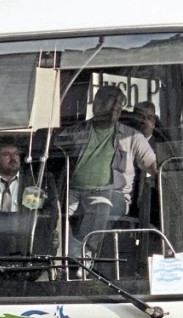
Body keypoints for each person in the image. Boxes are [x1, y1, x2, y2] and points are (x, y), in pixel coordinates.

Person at [56, 85, 158, 261]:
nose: (117, 106)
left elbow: (153, 167)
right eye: (112, 100)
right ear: (96, 104)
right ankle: (63, 258)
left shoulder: (132, 137)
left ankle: (85, 254)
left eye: (120, 102)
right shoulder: (75, 132)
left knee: (102, 202)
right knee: (52, 212)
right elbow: (52, 152)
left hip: (113, 195)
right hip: (73, 194)